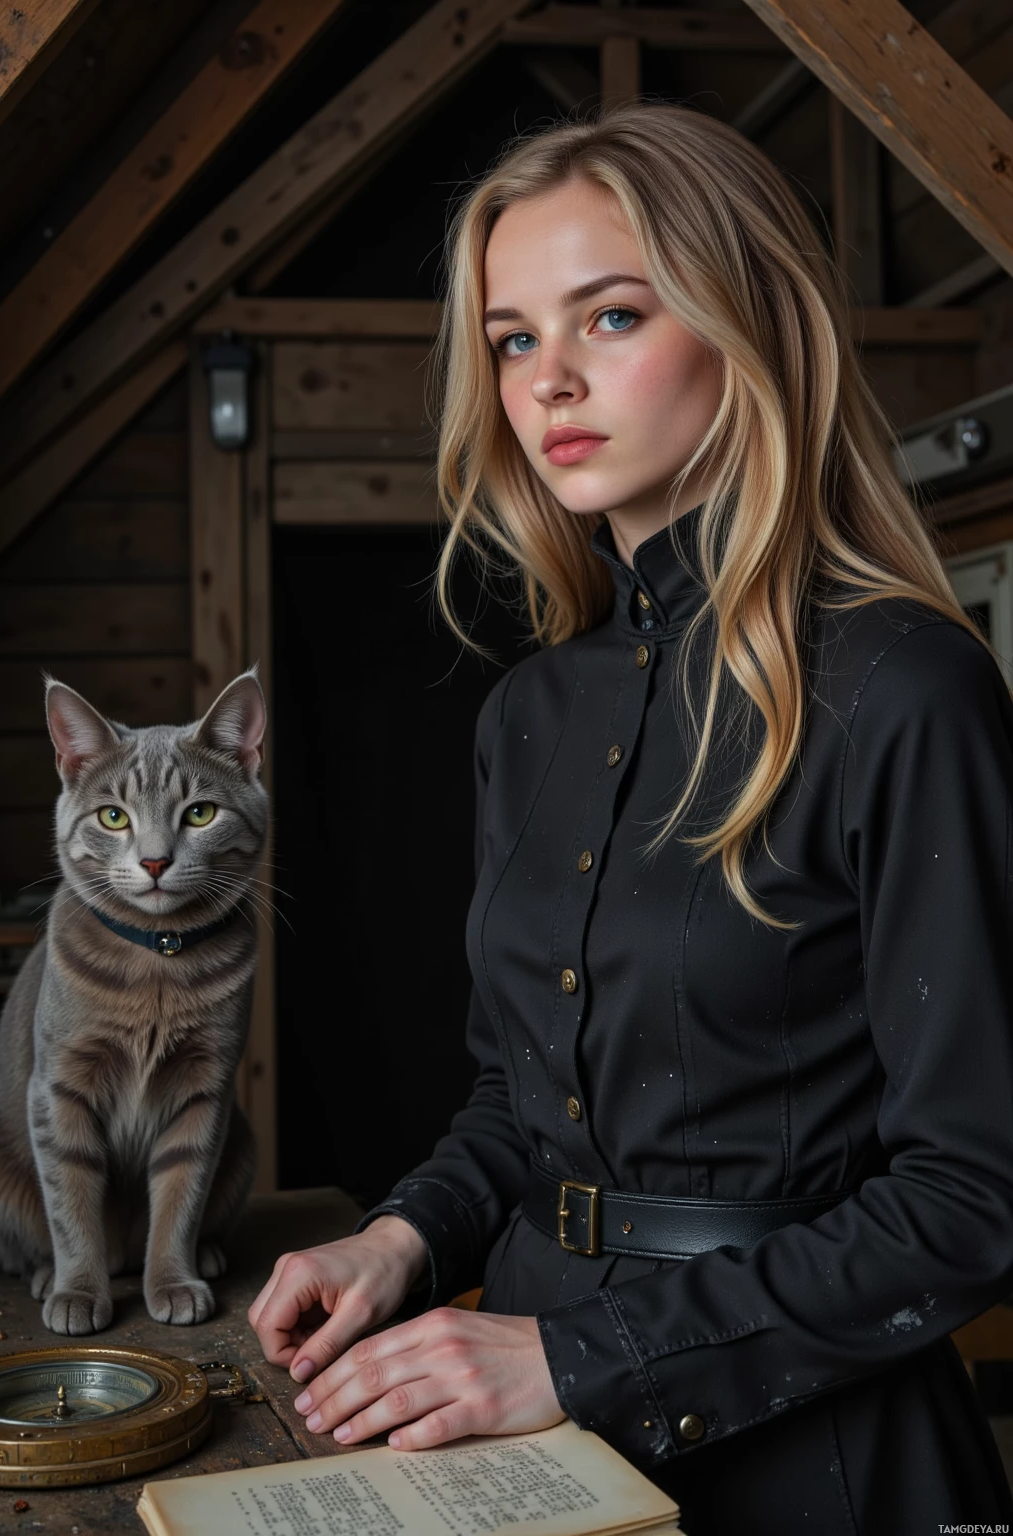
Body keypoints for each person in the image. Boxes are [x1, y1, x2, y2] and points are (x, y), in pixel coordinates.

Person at [249, 102, 1013, 1533]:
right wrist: (401, 1240)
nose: (548, 383)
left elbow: (973, 1197)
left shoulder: (908, 687)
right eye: (513, 338)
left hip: (817, 1453)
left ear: (750, 323)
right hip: (521, 1435)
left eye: (608, 316)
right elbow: (513, 1098)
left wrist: (575, 1358)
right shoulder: (526, 717)